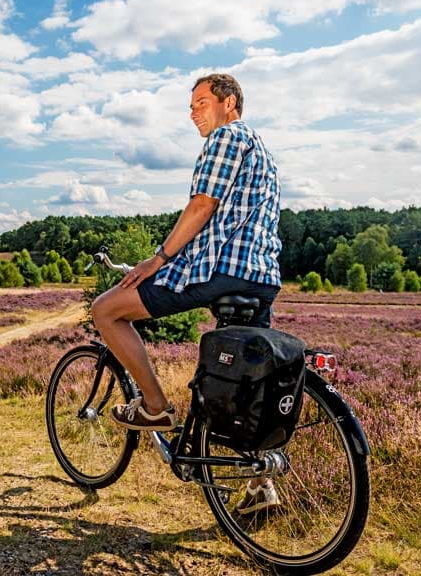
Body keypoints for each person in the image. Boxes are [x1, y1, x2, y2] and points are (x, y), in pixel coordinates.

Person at [90, 73, 282, 514]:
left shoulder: (226, 137)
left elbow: (202, 205)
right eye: (191, 105)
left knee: (106, 311)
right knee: (247, 380)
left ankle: (155, 406)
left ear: (229, 103)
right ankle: (260, 484)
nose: (192, 111)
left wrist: (157, 259)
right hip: (261, 277)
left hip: (221, 270)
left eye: (201, 102)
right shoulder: (262, 151)